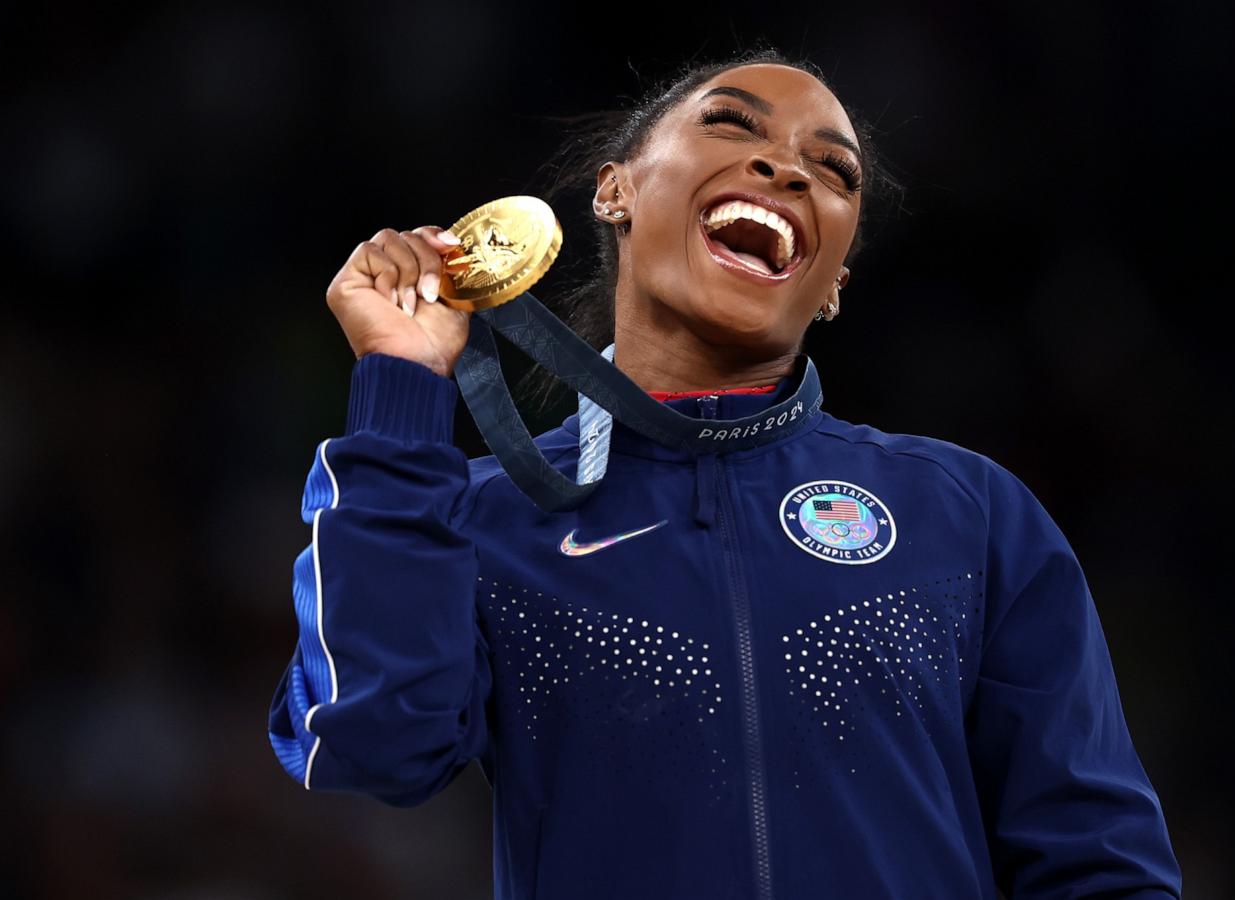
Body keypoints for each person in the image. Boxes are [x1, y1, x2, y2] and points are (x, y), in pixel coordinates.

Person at [267, 48, 1183, 900]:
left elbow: (1099, 863)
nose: (787, 169)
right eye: (733, 126)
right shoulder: (484, 516)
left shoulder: (967, 515)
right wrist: (400, 391)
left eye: (834, 172)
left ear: (832, 283)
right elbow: (375, 741)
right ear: (615, 192)